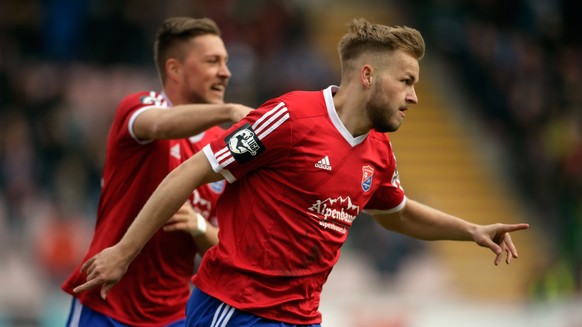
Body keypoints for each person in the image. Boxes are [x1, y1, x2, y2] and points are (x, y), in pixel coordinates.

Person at [73, 18, 530, 326]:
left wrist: (470, 230)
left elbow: (397, 213)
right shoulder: (289, 117)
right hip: (236, 309)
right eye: (406, 82)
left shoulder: (380, 152)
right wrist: (122, 253)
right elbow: (190, 172)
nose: (414, 97)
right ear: (368, 75)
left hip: (301, 317)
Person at [61, 17, 253, 327]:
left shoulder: (220, 148)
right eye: (212, 61)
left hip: (174, 317)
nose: (225, 72)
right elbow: (161, 124)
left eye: (226, 62)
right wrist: (229, 111)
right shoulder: (140, 106)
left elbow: (226, 249)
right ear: (175, 69)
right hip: (106, 306)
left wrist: (198, 226)